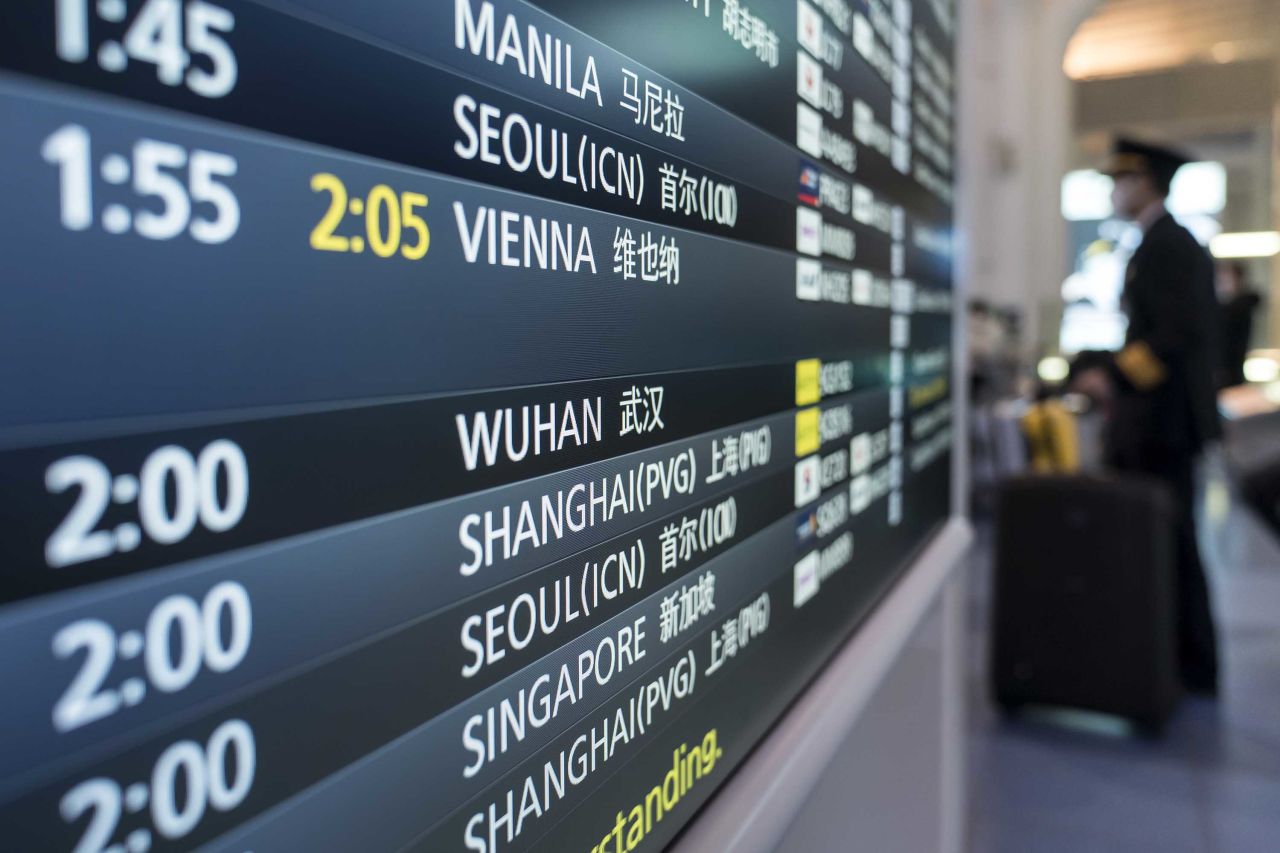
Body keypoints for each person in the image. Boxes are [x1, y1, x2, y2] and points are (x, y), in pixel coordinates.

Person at [1072, 138, 1222, 695]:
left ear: (1145, 183)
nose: (1115, 191)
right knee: (1167, 541)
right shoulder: (1157, 242)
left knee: (1176, 542)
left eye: (1121, 180)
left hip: (1168, 425)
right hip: (1159, 422)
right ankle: (1175, 660)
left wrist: (1111, 376)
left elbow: (1175, 338)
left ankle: (1193, 666)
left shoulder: (1169, 245)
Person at [1216, 261, 1261, 389]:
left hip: (1230, 372)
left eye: (1225, 279)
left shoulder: (1239, 309)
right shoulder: (1236, 308)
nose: (1221, 283)